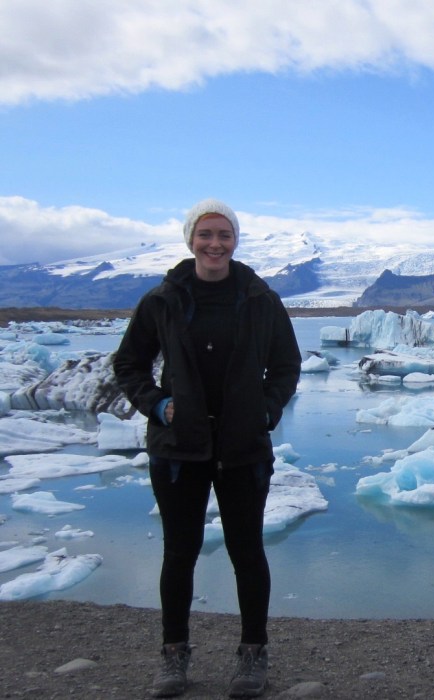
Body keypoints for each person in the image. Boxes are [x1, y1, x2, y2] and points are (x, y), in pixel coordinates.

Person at [114, 198, 301, 698]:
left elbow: (286, 365)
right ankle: (173, 655)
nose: (215, 244)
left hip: (243, 446)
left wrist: (268, 408)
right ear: (190, 240)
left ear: (235, 240)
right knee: (180, 552)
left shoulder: (261, 299)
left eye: (224, 235)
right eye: (206, 235)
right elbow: (129, 363)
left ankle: (253, 655)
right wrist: (156, 405)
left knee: (247, 550)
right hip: (179, 448)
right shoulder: (163, 300)